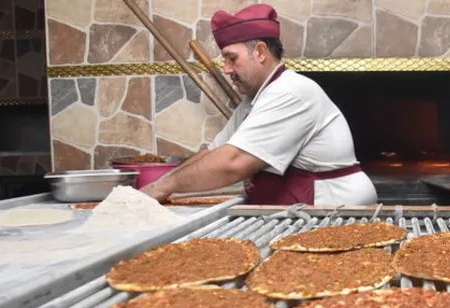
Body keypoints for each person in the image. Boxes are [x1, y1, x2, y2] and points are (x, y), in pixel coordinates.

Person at [140, 3, 378, 206]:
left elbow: (232, 163)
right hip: (302, 211)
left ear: (261, 52)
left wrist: (165, 186)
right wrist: (161, 184)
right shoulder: (254, 100)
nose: (226, 69)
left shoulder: (290, 92)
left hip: (337, 212)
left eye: (232, 58)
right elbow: (212, 153)